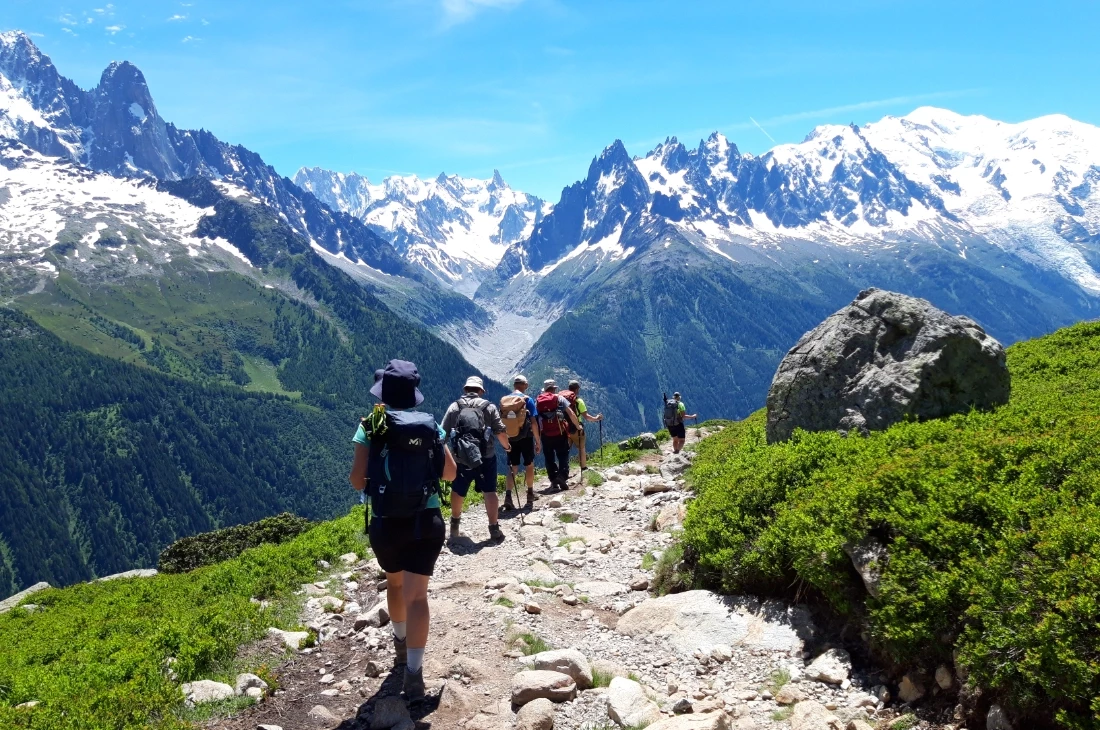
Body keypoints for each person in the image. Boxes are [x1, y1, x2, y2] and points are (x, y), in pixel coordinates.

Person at [349, 360, 456, 703]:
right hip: (427, 522)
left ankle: (398, 643)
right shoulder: (430, 427)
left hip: (387, 523)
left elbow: (356, 479)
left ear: (382, 394)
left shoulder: (371, 426)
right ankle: (414, 672)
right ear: (414, 396)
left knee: (394, 583)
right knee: (418, 596)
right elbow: (450, 474)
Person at [441, 376, 511, 543]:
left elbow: (442, 434)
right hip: (485, 457)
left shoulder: (454, 406)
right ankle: (494, 528)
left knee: (458, 489)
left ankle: (455, 525)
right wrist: (507, 447)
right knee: (490, 490)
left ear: (466, 389)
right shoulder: (489, 407)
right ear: (480, 391)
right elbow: (500, 432)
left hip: (461, 458)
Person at [500, 374, 541, 511]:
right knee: (529, 464)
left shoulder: (506, 401)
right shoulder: (527, 400)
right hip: (526, 437)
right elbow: (534, 422)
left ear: (514, 385)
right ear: (524, 385)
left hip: (510, 438)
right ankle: (530, 494)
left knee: (513, 467)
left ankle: (508, 497)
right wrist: (538, 441)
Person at [536, 379, 581, 491]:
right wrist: (578, 426)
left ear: (545, 388)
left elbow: (535, 419)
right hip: (560, 432)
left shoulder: (538, 401)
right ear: (554, 388)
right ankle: (562, 476)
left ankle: (553, 479)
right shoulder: (559, 398)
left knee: (549, 457)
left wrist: (536, 438)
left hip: (545, 434)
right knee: (563, 455)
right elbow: (570, 413)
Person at [565, 380, 603, 471]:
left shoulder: (563, 400)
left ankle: (564, 469)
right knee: (581, 448)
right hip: (577, 429)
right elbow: (586, 417)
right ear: (577, 389)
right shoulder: (579, 401)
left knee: (565, 450)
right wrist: (596, 418)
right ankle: (583, 467)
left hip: (565, 429)